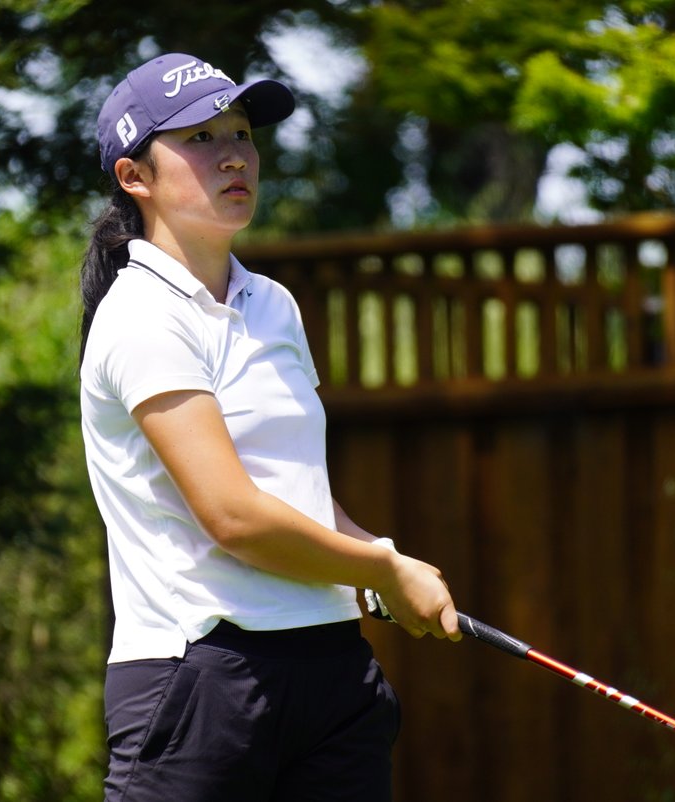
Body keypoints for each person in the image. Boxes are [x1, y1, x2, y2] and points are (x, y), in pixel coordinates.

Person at [78, 52, 462, 802]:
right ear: (135, 177)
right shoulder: (139, 316)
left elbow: (298, 495)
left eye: (243, 134)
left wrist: (377, 555)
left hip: (329, 672)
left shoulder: (274, 305)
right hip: (199, 682)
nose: (233, 156)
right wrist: (382, 571)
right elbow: (234, 517)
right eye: (199, 139)